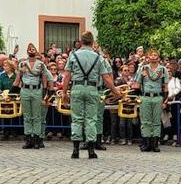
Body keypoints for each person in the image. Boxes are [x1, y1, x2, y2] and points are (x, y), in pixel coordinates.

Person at [63, 31, 117, 159]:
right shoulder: (98, 57)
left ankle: (75, 150)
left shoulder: (74, 55)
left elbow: (67, 76)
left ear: (81, 42)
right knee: (91, 119)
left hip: (77, 87)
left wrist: (64, 92)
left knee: (76, 118)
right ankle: (91, 150)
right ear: (92, 42)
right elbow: (106, 77)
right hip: (93, 88)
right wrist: (115, 91)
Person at [14, 43, 54, 150]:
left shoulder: (41, 64)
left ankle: (37, 139)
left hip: (36, 90)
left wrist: (45, 94)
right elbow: (17, 79)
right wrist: (12, 92)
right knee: (27, 116)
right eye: (29, 49)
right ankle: (28, 139)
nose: (31, 50)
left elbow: (45, 79)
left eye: (33, 49)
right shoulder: (22, 64)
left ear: (35, 51)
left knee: (36, 116)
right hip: (25, 89)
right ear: (27, 51)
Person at [132, 49, 168, 153]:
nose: (153, 56)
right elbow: (137, 84)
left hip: (157, 97)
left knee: (156, 121)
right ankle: (146, 143)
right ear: (148, 57)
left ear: (158, 57)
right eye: (151, 55)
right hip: (146, 97)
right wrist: (139, 97)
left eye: (155, 55)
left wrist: (165, 101)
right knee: (145, 121)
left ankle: (155, 144)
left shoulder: (163, 69)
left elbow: (165, 87)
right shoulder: (143, 68)